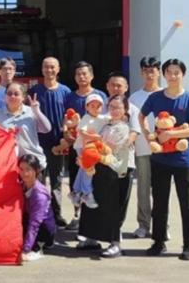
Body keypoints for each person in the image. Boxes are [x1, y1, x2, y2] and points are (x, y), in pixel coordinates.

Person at [140, 58, 189, 261]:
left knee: (188, 204)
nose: (173, 76)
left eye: (177, 72)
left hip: (184, 159)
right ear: (164, 74)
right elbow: (141, 116)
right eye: (169, 72)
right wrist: (148, 135)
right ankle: (158, 242)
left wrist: (171, 135)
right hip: (160, 159)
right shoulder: (156, 97)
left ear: (183, 75)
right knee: (159, 203)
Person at [76, 95, 132, 258]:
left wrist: (93, 149)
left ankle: (115, 243)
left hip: (114, 170)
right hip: (98, 168)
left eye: (118, 107)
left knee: (111, 207)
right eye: (111, 107)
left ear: (125, 110)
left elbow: (111, 148)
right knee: (93, 203)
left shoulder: (123, 128)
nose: (114, 110)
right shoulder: (105, 124)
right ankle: (91, 238)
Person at [29, 57, 73, 227]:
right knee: (39, 181)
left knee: (56, 181)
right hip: (38, 145)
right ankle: (39, 214)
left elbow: (69, 117)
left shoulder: (66, 91)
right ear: (42, 69)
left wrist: (65, 139)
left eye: (52, 67)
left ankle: (56, 214)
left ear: (58, 69)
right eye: (46, 67)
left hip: (58, 144)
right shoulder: (34, 91)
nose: (49, 70)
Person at [63, 61, 107, 230]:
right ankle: (77, 216)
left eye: (85, 73)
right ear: (75, 77)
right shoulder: (70, 97)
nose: (82, 77)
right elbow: (65, 120)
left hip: (95, 148)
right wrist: (66, 133)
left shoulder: (100, 96)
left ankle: (92, 220)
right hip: (77, 146)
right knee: (76, 178)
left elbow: (106, 121)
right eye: (78, 74)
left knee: (93, 181)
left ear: (92, 76)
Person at [129, 56, 162, 239]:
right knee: (143, 189)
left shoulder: (165, 94)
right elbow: (131, 124)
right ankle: (143, 225)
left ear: (159, 72)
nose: (150, 74)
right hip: (142, 149)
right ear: (141, 72)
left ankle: (162, 225)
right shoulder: (135, 97)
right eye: (146, 71)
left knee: (161, 190)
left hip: (164, 151)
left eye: (153, 71)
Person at [104, 71, 143, 230]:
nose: (115, 88)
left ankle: (116, 230)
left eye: (119, 85)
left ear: (126, 88)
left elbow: (135, 132)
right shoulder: (99, 106)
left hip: (124, 161)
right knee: (103, 196)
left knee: (121, 197)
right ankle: (100, 230)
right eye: (112, 85)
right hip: (102, 160)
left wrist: (120, 146)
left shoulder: (132, 109)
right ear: (107, 86)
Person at [0, 83, 52, 170]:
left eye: (16, 94)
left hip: (33, 163)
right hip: (9, 165)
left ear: (23, 97)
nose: (12, 96)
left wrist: (37, 111)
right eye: (9, 93)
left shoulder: (31, 111)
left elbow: (46, 129)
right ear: (5, 96)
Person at [71, 93, 110, 209]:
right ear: (87, 107)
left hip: (90, 147)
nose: (95, 108)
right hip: (81, 146)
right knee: (88, 168)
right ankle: (87, 193)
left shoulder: (101, 118)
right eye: (92, 106)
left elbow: (111, 117)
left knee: (83, 168)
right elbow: (82, 132)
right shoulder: (86, 118)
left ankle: (76, 191)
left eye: (98, 106)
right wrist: (94, 137)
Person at [19, 154, 56, 262]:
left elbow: (34, 224)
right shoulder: (22, 185)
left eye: (28, 169)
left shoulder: (40, 194)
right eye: (21, 169)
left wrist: (25, 250)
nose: (24, 173)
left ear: (36, 170)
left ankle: (36, 248)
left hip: (44, 231)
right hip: (30, 221)